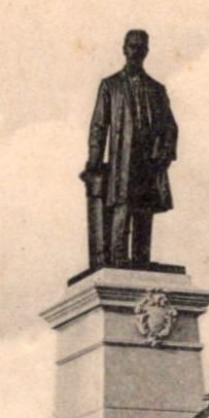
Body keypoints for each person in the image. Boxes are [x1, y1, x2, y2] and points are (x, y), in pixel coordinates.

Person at [85, 28, 178, 268]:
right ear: (124, 49)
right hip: (122, 159)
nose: (136, 51)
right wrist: (94, 162)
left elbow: (170, 126)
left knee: (144, 209)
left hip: (148, 160)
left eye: (140, 46)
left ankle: (140, 258)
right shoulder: (110, 85)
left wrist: (164, 153)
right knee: (122, 206)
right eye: (132, 46)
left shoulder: (157, 89)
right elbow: (99, 125)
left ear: (147, 51)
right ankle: (119, 258)